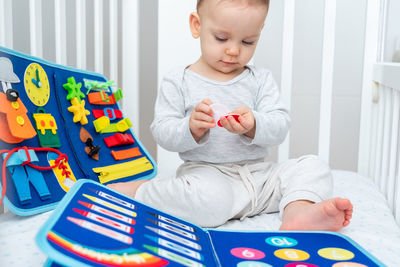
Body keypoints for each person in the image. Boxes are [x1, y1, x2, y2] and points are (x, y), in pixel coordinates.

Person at [108, 0, 353, 230]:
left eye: (248, 42)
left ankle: (298, 213)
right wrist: (190, 128)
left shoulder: (260, 80)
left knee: (313, 166)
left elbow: (280, 124)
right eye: (222, 38)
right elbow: (161, 130)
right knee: (209, 200)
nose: (234, 50)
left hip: (260, 179)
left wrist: (254, 124)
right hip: (208, 175)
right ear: (197, 25)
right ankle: (140, 191)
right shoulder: (179, 81)